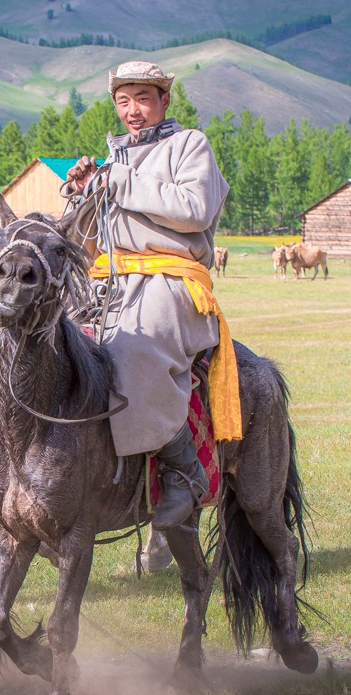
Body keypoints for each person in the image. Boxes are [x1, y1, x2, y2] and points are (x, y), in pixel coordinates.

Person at [64, 61, 241, 530]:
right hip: (112, 278)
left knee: (134, 351)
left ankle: (184, 471)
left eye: (142, 99)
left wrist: (117, 180)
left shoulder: (188, 145)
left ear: (164, 101)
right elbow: (89, 241)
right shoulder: (113, 160)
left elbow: (194, 209)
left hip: (172, 279)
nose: (132, 111)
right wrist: (85, 192)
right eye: (123, 102)